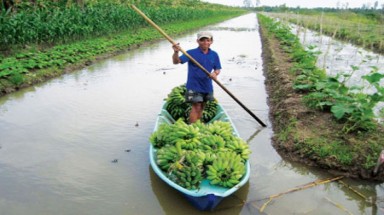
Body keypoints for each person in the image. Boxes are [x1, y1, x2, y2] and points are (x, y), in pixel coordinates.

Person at [172, 31, 222, 123]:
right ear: (198, 41)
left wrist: (215, 73)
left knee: (202, 106)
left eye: (207, 40)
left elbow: (217, 68)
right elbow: (176, 61)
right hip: (193, 86)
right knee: (196, 106)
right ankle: (192, 128)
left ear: (211, 42)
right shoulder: (190, 53)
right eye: (202, 40)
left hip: (207, 86)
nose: (205, 43)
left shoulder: (214, 54)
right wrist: (176, 52)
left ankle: (197, 125)